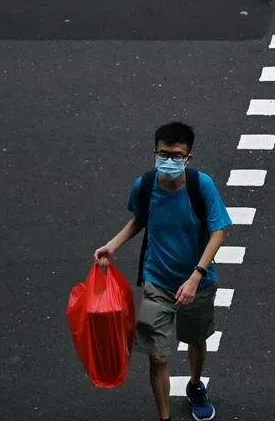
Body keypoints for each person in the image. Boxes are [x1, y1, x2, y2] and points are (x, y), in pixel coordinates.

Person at [92, 122, 232, 421]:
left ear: (188, 158)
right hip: (157, 282)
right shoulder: (144, 185)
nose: (169, 160)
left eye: (176, 155)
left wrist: (195, 277)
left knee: (196, 340)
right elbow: (140, 219)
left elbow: (218, 232)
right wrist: (112, 245)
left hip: (198, 283)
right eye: (163, 154)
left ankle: (195, 385)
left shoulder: (201, 185)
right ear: (155, 153)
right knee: (158, 356)